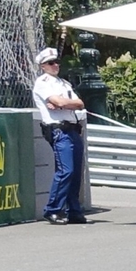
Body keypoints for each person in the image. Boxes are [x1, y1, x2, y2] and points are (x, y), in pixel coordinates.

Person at [32, 46, 89, 225]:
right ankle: (53, 209)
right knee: (66, 171)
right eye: (51, 63)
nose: (55, 65)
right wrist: (63, 103)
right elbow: (57, 101)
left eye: (57, 62)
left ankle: (74, 210)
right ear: (43, 66)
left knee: (76, 172)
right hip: (58, 130)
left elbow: (79, 103)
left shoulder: (64, 84)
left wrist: (66, 104)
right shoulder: (43, 83)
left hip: (73, 128)